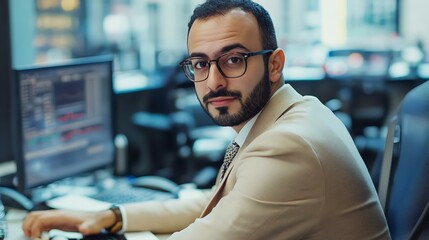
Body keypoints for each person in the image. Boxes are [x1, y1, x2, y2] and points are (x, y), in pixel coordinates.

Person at [22, 0, 391, 239]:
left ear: (274, 64)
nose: (214, 81)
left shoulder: (289, 145)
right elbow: (217, 203)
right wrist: (112, 216)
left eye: (234, 60)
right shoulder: (289, 114)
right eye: (200, 63)